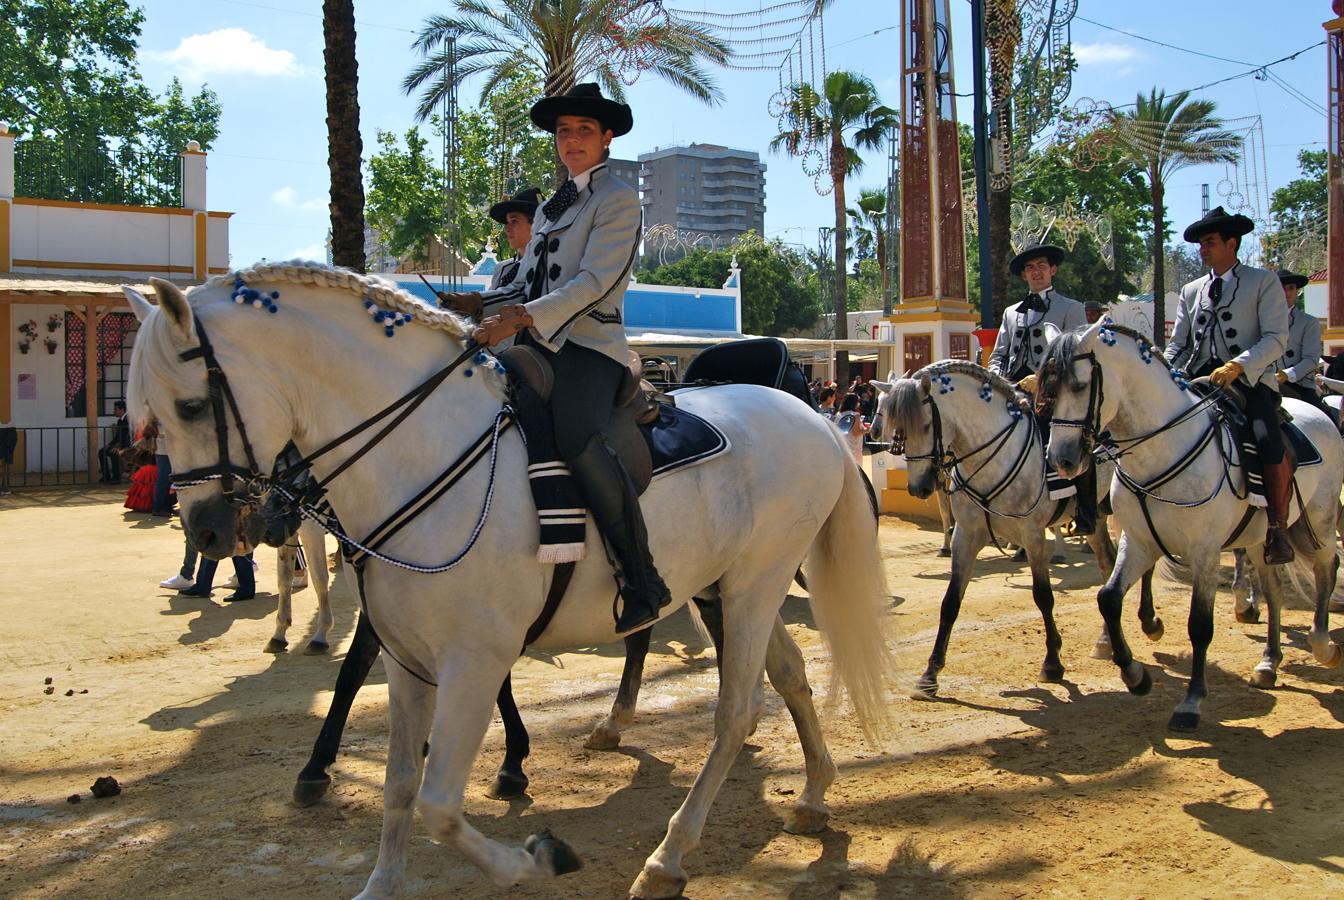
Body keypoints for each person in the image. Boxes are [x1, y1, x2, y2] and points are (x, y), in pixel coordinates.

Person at [462, 83, 668, 634]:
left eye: (583, 130)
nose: (571, 139)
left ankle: (642, 577)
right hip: (539, 344)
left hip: (592, 348)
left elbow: (596, 282)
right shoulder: (554, 207)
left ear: (605, 138)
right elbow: (527, 282)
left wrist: (522, 318)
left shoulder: (619, 199)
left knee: (576, 437)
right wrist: (481, 302)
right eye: (563, 131)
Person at [1165, 207, 1292, 564]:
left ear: (1231, 243)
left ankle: (1278, 529)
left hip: (1249, 381)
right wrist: (1164, 369)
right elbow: (1180, 342)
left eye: (1210, 242)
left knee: (1267, 440)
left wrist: (1239, 365)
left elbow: (1276, 338)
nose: (1203, 249)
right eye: (1201, 244)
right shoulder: (1192, 289)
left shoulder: (1263, 281)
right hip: (1199, 379)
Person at [989, 242, 1094, 535]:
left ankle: (1086, 509)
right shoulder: (1011, 312)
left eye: (1041, 266)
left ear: (1053, 270)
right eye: (1030, 268)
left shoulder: (1071, 308)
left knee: (1075, 435)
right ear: (1024, 275)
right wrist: (997, 379)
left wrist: (1042, 378)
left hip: (1051, 391)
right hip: (1012, 389)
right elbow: (998, 354)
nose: (1036, 272)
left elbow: (1075, 354)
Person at [1274, 270, 1326, 413]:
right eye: (1281, 288)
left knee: (1326, 424)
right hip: (1266, 383)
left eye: (1291, 288)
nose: (1287, 293)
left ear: (1297, 291)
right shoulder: (1260, 321)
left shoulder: (1309, 322)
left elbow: (1311, 359)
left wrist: (1286, 375)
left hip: (1300, 385)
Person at [98, 400, 130, 483]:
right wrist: (109, 445)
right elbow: (117, 437)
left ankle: (116, 477)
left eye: (115, 409)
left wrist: (119, 447)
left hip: (128, 445)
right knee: (102, 451)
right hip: (121, 445)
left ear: (122, 410)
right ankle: (106, 476)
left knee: (114, 453)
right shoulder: (120, 421)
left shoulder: (128, 420)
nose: (114, 411)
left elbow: (128, 437)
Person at [834, 393, 869, 464]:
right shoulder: (855, 415)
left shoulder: (838, 414)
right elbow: (856, 433)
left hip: (842, 447)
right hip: (854, 448)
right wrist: (867, 429)